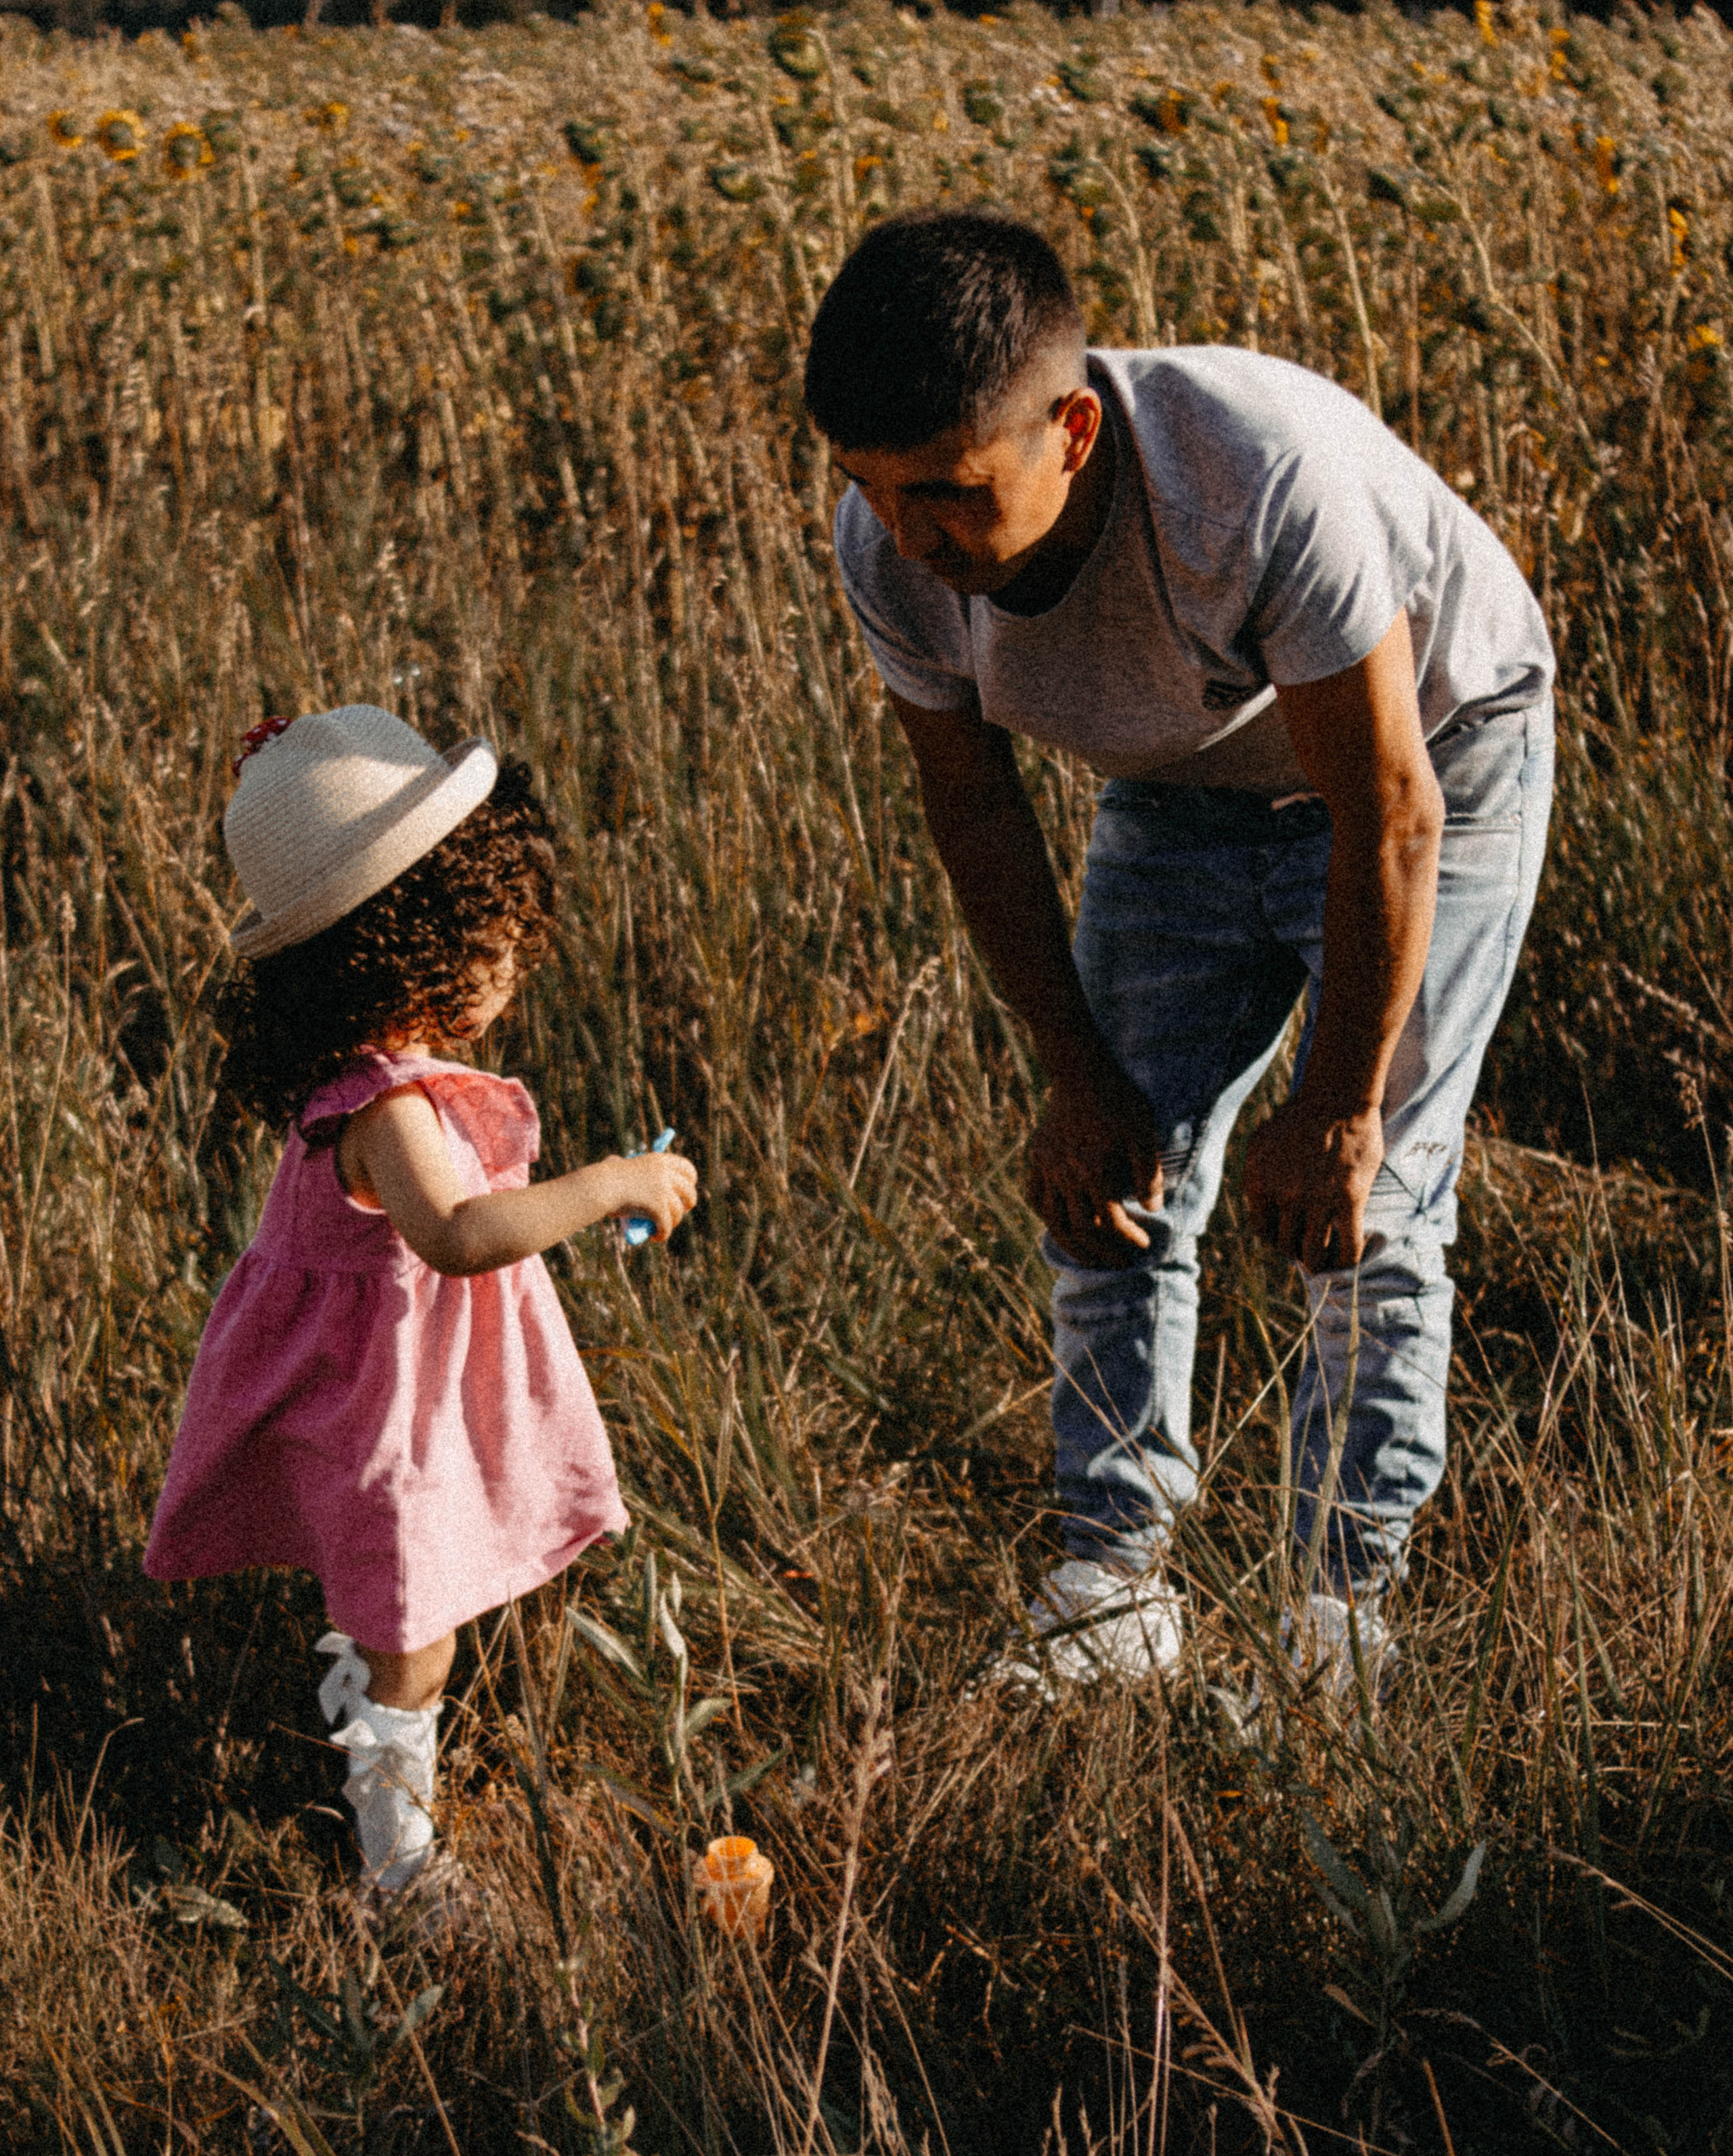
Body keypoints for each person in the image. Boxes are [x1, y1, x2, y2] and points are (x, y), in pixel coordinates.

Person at [803, 211, 1554, 1689]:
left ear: (1071, 430)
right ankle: (1111, 1580)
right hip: (1182, 781)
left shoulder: (1253, 480)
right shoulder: (889, 549)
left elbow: (1386, 812)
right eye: (868, 489)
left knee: (1373, 1201)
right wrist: (1072, 1077)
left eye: (947, 492)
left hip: (1437, 763)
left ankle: (1340, 1613)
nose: (909, 539)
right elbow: (972, 807)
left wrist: (1337, 1102)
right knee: (1110, 1179)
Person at [146, 706, 699, 1912]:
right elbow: (456, 1239)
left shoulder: (376, 1077)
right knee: (419, 1624)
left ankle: (369, 1695)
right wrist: (609, 1184)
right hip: (378, 1415)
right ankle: (397, 1860)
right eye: (493, 935)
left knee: (408, 1597)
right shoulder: (389, 1109)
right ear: (411, 942)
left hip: (396, 1389)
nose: (514, 958)